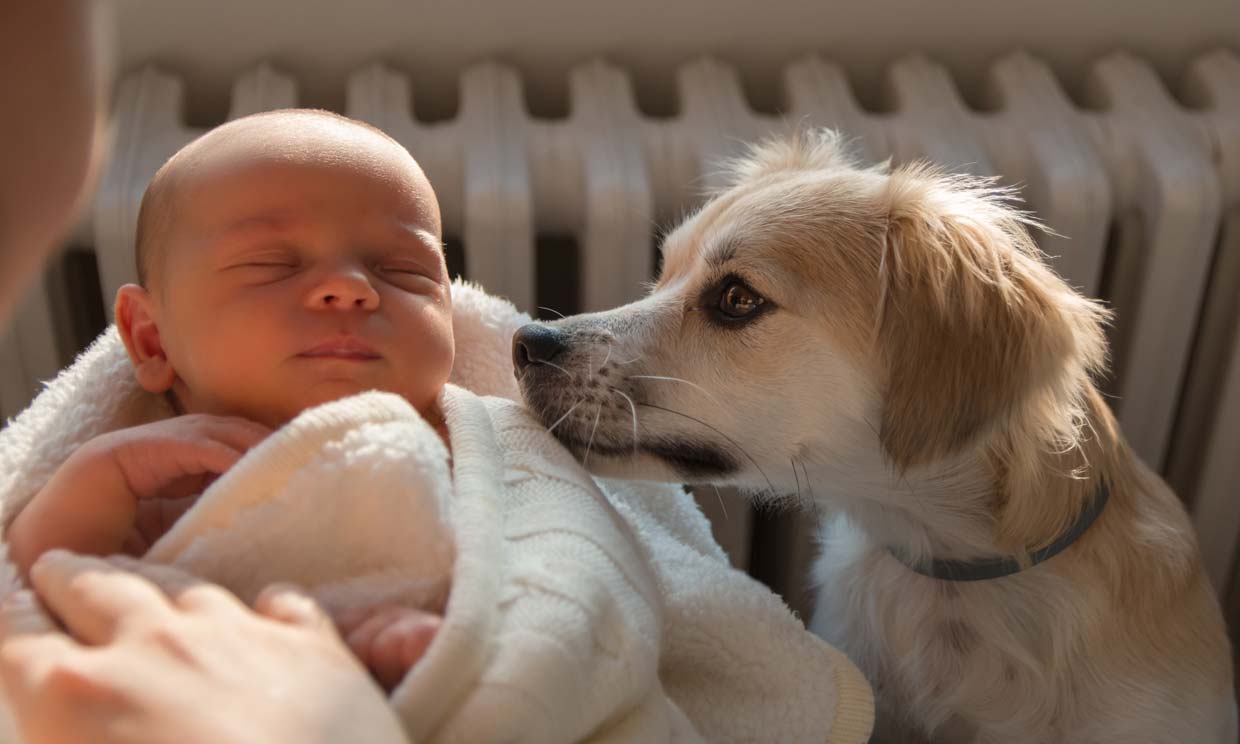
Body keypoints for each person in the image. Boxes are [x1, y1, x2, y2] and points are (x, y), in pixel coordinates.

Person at [0, 4, 413, 743]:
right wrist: (99, 477)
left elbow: (553, 574)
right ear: (152, 341)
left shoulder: (473, 443)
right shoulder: (176, 488)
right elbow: (48, 581)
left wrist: (430, 632)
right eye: (270, 265)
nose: (351, 288)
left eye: (404, 270)